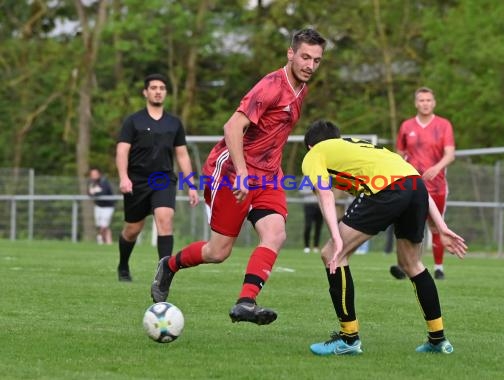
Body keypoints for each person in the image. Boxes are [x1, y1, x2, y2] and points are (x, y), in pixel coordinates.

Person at [150, 29, 327, 325]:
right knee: (218, 252)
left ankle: (246, 302)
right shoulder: (270, 86)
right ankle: (169, 265)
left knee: (276, 234)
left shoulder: (301, 89)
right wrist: (243, 173)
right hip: (232, 172)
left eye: (317, 60)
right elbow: (232, 127)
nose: (310, 65)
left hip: (268, 176)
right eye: (305, 57)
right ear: (290, 54)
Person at [302, 120, 467, 356]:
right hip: (416, 187)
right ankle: (437, 339)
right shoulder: (361, 147)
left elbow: (324, 194)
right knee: (412, 264)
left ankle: (348, 340)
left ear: (309, 146)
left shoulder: (314, 154)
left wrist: (336, 238)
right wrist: (440, 226)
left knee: (332, 255)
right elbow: (413, 180)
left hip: (387, 190)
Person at [115, 73, 199, 282]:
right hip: (137, 181)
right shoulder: (133, 121)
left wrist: (191, 185)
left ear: (166, 93)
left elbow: (182, 154)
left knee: (165, 219)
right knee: (132, 229)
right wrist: (124, 177)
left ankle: (164, 274)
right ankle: (123, 265)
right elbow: (122, 150)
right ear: (146, 92)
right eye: (153, 88)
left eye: (161, 88)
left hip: (163, 180)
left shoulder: (174, 123)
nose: (158, 91)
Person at [390, 87, 455, 280]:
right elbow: (399, 155)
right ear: (415, 103)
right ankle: (405, 266)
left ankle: (439, 267)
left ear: (433, 103)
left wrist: (437, 167)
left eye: (428, 100)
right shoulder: (406, 126)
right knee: (409, 225)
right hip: (412, 186)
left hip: (437, 185)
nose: (425, 103)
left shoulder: (443, 125)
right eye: (421, 100)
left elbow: (450, 154)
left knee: (436, 226)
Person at [87, 167, 116, 245]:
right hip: (98, 206)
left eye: (95, 174)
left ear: (99, 174)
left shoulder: (104, 182)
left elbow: (103, 193)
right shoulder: (91, 183)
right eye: (92, 174)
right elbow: (89, 193)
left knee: (104, 225)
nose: (94, 176)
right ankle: (108, 241)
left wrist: (95, 192)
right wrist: (93, 192)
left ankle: (100, 238)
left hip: (108, 207)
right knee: (101, 225)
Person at [300, 186, 323, 253]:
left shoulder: (323, 178)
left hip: (319, 205)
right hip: (309, 205)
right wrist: (313, 191)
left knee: (318, 227)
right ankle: (306, 246)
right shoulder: (306, 178)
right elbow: (301, 191)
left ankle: (316, 246)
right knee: (308, 226)